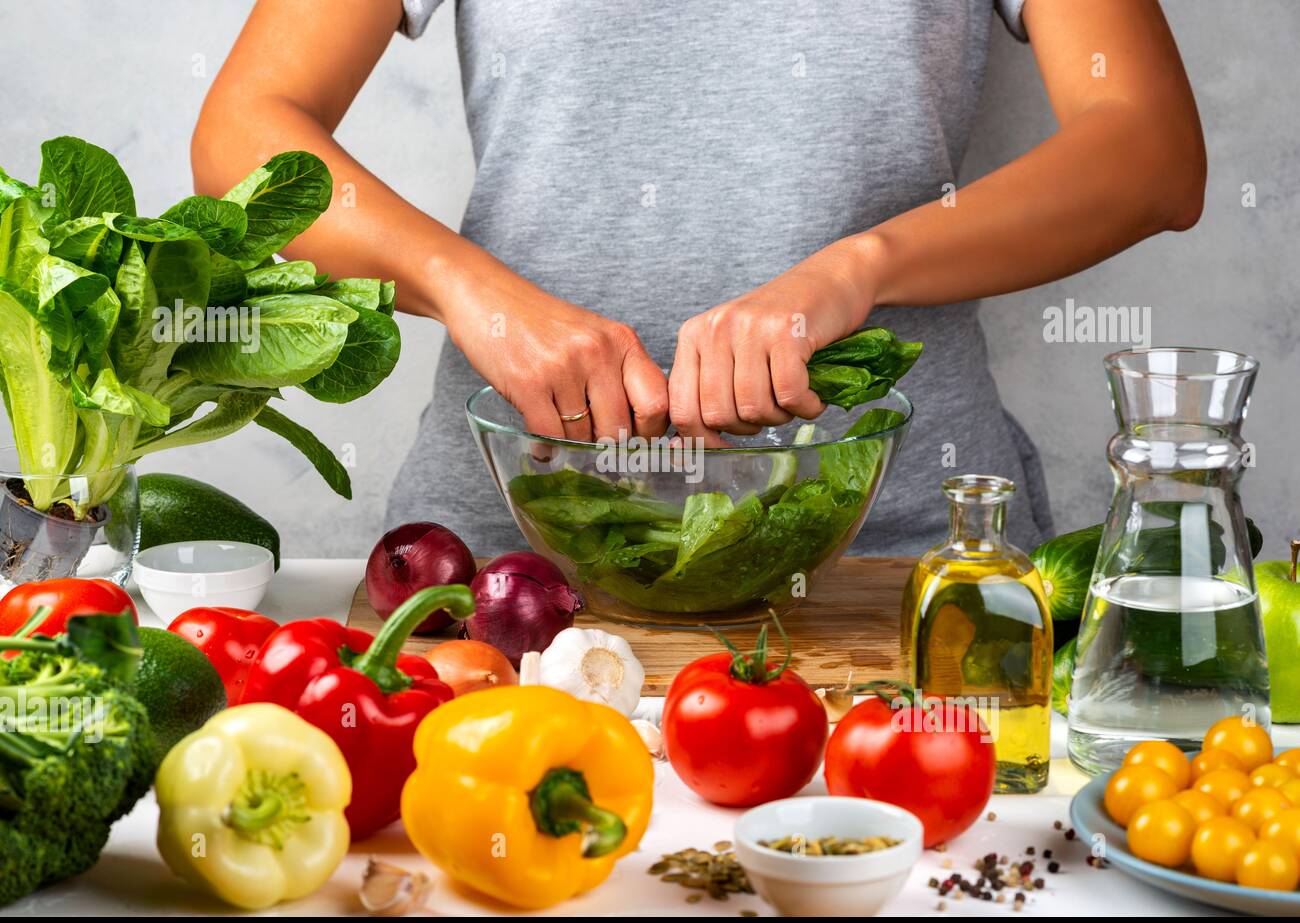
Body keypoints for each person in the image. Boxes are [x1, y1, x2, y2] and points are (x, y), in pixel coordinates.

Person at [192, 0, 1205, 555]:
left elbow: (1148, 150)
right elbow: (247, 130)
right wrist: (466, 286)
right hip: (508, 551)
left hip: (894, 554)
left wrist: (861, 268)